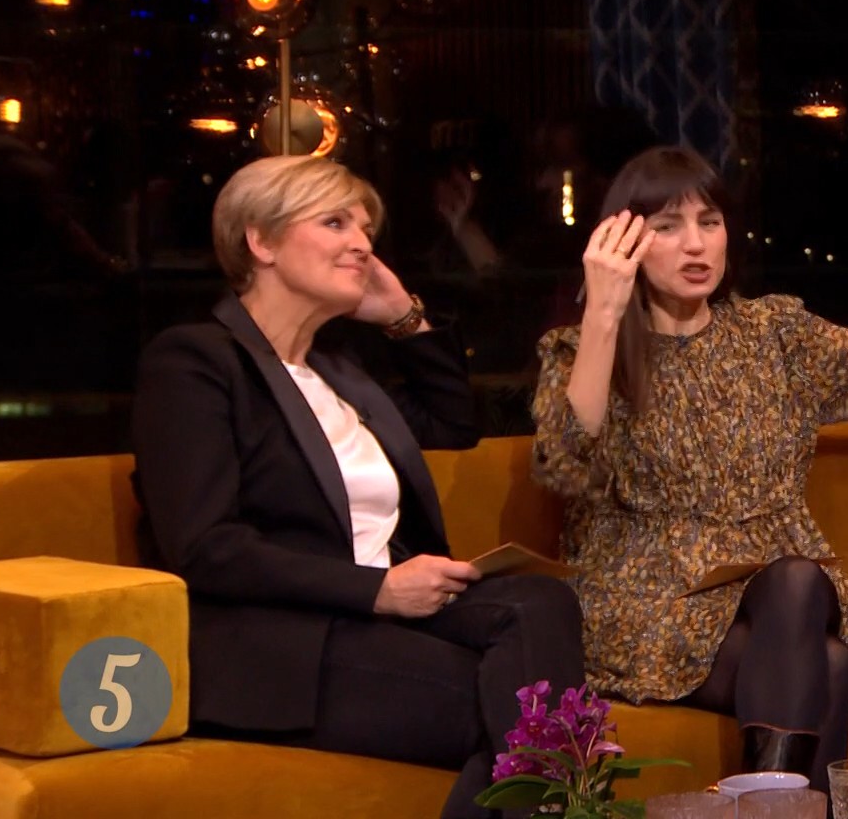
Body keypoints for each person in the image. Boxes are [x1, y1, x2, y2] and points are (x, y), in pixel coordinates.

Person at [529, 144, 848, 791]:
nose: (696, 244)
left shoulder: (773, 333)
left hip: (776, 597)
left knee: (797, 582)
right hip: (648, 604)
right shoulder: (582, 351)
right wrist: (604, 313)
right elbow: (564, 463)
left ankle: (765, 805)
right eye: (668, 226)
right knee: (829, 664)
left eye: (710, 222)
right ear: (624, 241)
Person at [131, 156, 585, 819]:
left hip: (376, 618)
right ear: (261, 241)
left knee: (541, 602)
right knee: (529, 717)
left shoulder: (337, 372)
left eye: (367, 228)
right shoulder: (194, 361)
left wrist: (403, 317)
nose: (363, 244)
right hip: (285, 643)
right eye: (335, 223)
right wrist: (377, 589)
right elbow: (206, 547)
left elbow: (454, 425)